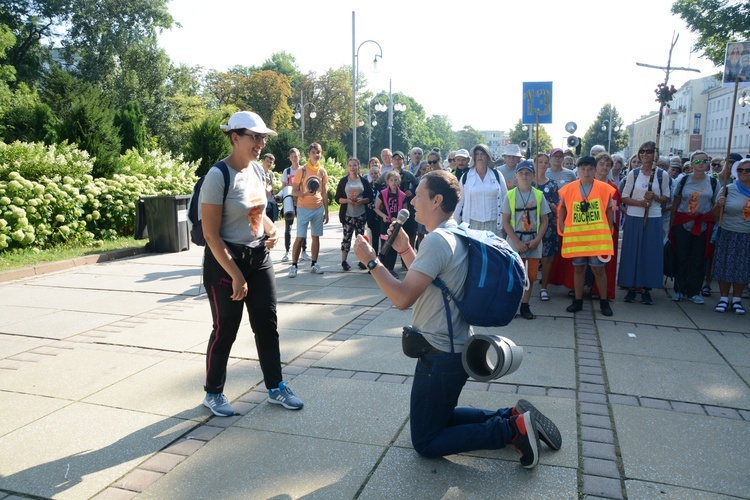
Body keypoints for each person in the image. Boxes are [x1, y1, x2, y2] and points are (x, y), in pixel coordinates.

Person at [352, 169, 561, 468]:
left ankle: (510, 430)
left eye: (418, 195)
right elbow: (436, 283)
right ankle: (511, 416)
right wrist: (408, 249)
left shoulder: (438, 241)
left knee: (425, 441)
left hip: (440, 355)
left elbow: (401, 297)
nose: (411, 199)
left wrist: (370, 261)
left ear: (437, 200)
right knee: (441, 417)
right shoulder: (454, 233)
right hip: (453, 348)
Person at [200, 111, 303, 417]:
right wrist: (235, 275)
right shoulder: (218, 176)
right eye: (254, 137)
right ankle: (213, 393)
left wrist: (270, 230)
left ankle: (275, 387)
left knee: (267, 325)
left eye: (263, 138)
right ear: (234, 138)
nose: (260, 143)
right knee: (225, 329)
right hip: (225, 262)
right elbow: (210, 233)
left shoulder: (257, 170)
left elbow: (256, 213)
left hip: (258, 259)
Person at [558, 155, 616, 316]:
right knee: (579, 269)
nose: (587, 172)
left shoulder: (603, 188)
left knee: (599, 270)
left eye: (590, 169)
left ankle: (604, 302)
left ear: (595, 170)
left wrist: (609, 229)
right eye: (583, 169)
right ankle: (578, 301)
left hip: (597, 238)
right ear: (578, 170)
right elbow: (562, 207)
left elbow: (609, 210)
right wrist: (562, 222)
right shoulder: (569, 188)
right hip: (577, 237)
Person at [618, 141, 671, 304]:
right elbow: (624, 196)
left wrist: (654, 197)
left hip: (653, 217)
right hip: (635, 216)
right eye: (642, 151)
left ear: (655, 154)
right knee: (632, 251)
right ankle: (631, 287)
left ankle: (647, 288)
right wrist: (639, 203)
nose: (645, 154)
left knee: (650, 252)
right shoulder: (634, 174)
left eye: (649, 151)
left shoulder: (662, 174)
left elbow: (666, 197)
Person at [502, 161, 550, 319]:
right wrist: (517, 242)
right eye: (521, 173)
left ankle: (525, 305)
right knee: (514, 276)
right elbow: (505, 222)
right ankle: (512, 306)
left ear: (533, 176)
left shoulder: (539, 195)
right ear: (516, 176)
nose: (524, 176)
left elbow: (545, 220)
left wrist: (537, 240)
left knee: (530, 276)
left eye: (528, 173)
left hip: (533, 241)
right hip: (515, 241)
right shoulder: (510, 195)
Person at [669, 150, 717, 304]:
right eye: (697, 161)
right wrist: (671, 225)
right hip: (683, 223)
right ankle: (679, 290)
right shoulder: (683, 181)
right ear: (691, 164)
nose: (700, 164)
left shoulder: (713, 182)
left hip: (702, 225)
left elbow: (715, 205)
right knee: (681, 257)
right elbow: (676, 203)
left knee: (698, 259)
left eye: (703, 161)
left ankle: (694, 291)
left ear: (708, 163)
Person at [711, 157, 750, 314]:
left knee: (742, 267)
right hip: (728, 232)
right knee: (725, 265)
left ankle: (737, 300)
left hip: (747, 234)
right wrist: (719, 205)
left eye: (747, 170)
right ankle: (723, 298)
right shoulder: (728, 189)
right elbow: (714, 215)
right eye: (740, 170)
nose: (743, 173)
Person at [288, 142, 329, 278]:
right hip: (303, 208)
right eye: (313, 152)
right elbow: (294, 191)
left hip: (318, 208)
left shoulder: (322, 171)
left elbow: (324, 192)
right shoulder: (302, 170)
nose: (316, 155)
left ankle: (314, 264)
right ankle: (294, 265)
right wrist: (305, 194)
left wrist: (326, 211)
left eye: (318, 152)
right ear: (309, 154)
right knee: (300, 237)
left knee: (315, 237)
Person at [453, 144, 508, 237]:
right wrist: (454, 224)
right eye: (477, 154)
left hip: (494, 223)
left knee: (492, 251)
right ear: (473, 157)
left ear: (487, 156)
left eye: (482, 154)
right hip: (472, 224)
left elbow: (505, 198)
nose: (480, 157)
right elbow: (460, 202)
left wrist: (507, 223)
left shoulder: (497, 175)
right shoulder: (466, 177)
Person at [376, 151, 419, 264]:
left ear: (403, 161)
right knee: (386, 239)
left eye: (399, 159)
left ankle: (405, 261)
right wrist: (384, 194)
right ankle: (385, 264)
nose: (397, 161)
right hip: (388, 211)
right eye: (394, 159)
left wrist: (412, 192)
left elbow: (417, 184)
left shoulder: (407, 174)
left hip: (404, 207)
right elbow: (376, 184)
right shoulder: (387, 174)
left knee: (405, 236)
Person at [336, 157, 373, 271]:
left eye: (354, 165)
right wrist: (347, 200)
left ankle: (362, 261)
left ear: (358, 167)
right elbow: (338, 198)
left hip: (360, 214)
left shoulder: (364, 181)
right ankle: (344, 261)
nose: (352, 168)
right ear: (348, 167)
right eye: (350, 165)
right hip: (348, 214)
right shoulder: (343, 181)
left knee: (361, 238)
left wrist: (362, 201)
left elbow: (370, 197)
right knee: (346, 237)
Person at [533, 153, 560, 302]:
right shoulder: (528, 182)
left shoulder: (552, 184)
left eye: (545, 162)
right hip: (530, 224)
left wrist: (553, 206)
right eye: (540, 162)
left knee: (547, 256)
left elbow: (557, 205)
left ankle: (544, 286)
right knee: (530, 256)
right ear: (534, 163)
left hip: (548, 224)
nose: (543, 165)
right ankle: (527, 284)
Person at [374, 170, 407, 278]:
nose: (393, 182)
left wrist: (399, 219)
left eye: (396, 180)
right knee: (385, 244)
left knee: (394, 245)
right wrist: (383, 216)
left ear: (399, 182)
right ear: (387, 181)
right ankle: (382, 267)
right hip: (385, 223)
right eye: (391, 180)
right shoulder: (383, 194)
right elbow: (377, 208)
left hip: (397, 224)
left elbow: (405, 211)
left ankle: (391, 268)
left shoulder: (402, 195)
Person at [280, 148, 308, 262]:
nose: (294, 158)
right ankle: (287, 251)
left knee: (302, 227)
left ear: (299, 157)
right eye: (292, 156)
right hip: (290, 203)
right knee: (288, 228)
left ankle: (304, 251)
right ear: (290, 158)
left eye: (296, 156)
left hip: (302, 202)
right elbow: (283, 187)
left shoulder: (304, 170)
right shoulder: (287, 171)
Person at [261, 153, 279, 222]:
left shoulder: (271, 174)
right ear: (263, 161)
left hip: (270, 202)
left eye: (271, 162)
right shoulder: (258, 172)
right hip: (261, 202)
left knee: (271, 222)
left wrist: (273, 190)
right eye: (267, 161)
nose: (269, 163)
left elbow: (271, 185)